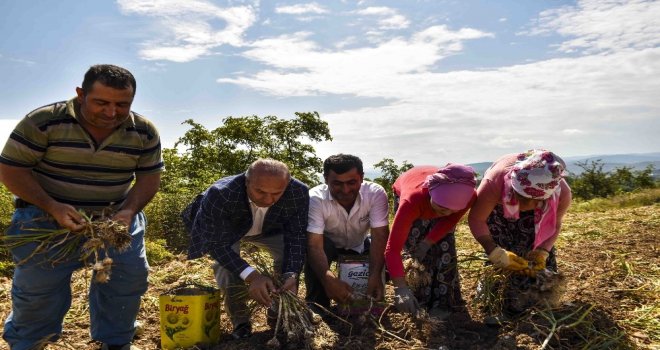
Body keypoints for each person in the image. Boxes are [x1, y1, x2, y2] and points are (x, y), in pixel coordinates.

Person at [0, 64, 163, 350]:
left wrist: (128, 211)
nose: (111, 112)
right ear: (80, 94)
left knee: (125, 280)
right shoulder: (44, 121)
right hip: (44, 219)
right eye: (101, 102)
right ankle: (29, 342)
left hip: (114, 221)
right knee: (38, 290)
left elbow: (149, 178)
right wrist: (52, 206)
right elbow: (11, 170)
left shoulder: (144, 132)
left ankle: (116, 341)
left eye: (121, 105)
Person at [182, 159, 309, 339]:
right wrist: (253, 277)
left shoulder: (298, 192)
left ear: (286, 186)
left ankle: (278, 313)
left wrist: (291, 274)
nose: (267, 199)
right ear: (246, 181)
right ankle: (240, 322)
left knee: (287, 255)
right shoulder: (221, 194)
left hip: (268, 229)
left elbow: (296, 236)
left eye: (276, 194)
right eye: (260, 191)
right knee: (224, 266)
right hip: (228, 231)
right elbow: (217, 245)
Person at [467, 149, 572, 317]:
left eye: (534, 201)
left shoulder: (561, 194)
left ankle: (539, 301)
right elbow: (476, 219)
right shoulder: (495, 182)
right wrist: (494, 251)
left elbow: (555, 224)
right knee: (503, 248)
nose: (525, 205)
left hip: (541, 214)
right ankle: (495, 298)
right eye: (522, 198)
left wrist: (543, 252)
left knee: (534, 252)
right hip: (500, 207)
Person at [384, 164, 476, 319]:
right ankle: (415, 297)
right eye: (441, 208)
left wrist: (428, 242)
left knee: (445, 244)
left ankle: (444, 301)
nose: (445, 213)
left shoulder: (468, 196)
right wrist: (400, 288)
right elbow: (393, 249)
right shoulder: (411, 201)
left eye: (452, 209)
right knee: (413, 243)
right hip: (412, 191)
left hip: (432, 199)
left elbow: (449, 221)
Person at [305, 154, 389, 310]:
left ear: (362, 178)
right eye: (337, 183)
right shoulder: (315, 198)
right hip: (328, 247)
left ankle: (369, 301)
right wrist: (327, 279)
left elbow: (380, 236)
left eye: (352, 182)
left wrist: (375, 274)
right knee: (320, 249)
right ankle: (318, 306)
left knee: (386, 259)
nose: (345, 190)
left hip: (360, 245)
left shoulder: (375, 194)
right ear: (325, 179)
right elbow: (314, 245)